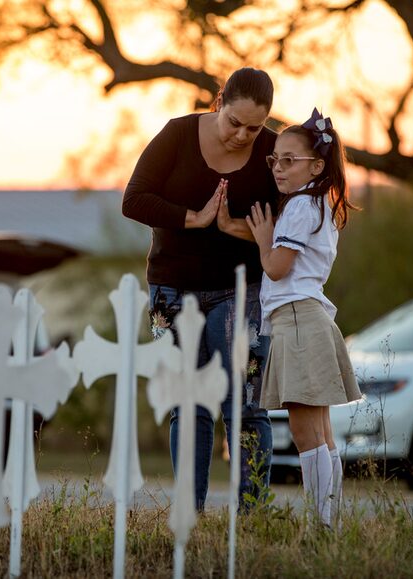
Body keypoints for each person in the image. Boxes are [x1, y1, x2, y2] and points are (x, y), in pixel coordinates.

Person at [123, 67, 280, 511]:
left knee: (246, 402)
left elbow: (288, 229)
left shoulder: (272, 150)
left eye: (255, 127)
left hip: (242, 288)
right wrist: (193, 218)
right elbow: (133, 199)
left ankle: (254, 514)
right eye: (235, 122)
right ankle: (188, 511)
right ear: (219, 102)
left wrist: (235, 228)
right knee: (188, 401)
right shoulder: (177, 135)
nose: (243, 135)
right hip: (172, 289)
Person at [245, 108, 361, 527]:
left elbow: (276, 268)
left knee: (305, 432)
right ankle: (329, 520)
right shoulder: (320, 203)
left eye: (289, 161)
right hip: (309, 318)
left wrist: (262, 241)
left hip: (297, 322)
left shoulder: (299, 207)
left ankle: (321, 524)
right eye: (275, 160)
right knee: (322, 433)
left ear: (316, 165)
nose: (279, 168)